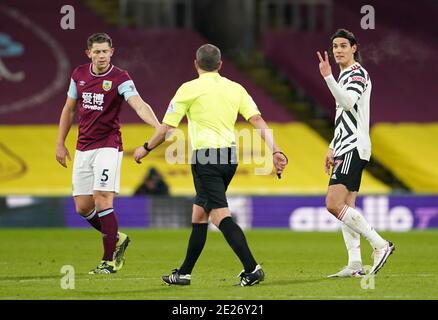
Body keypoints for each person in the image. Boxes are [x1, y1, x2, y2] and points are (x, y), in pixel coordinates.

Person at [133, 44, 288, 286]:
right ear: (220, 65)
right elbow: (257, 119)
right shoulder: (235, 88)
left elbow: (166, 128)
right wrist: (275, 150)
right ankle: (184, 273)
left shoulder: (188, 89)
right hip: (229, 157)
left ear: (195, 64)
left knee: (220, 216)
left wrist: (145, 147)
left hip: (206, 159)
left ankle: (252, 268)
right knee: (199, 214)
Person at [56, 33, 160, 274]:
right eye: (97, 51)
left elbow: (139, 104)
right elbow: (68, 108)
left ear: (112, 52)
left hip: (108, 146)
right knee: (83, 207)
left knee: (102, 197)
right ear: (88, 53)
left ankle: (108, 260)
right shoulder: (78, 75)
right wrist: (60, 143)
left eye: (105, 51)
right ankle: (118, 238)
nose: (101, 55)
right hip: (83, 147)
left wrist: (158, 127)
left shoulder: (120, 78)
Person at [317, 29, 395, 277]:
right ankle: (354, 265)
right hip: (344, 145)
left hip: (353, 146)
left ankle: (380, 244)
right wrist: (332, 145)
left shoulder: (358, 73)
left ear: (354, 48)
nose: (338, 50)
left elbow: (348, 102)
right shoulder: (344, 76)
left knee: (333, 204)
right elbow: (344, 116)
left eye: (342, 46)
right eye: (335, 46)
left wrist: (328, 77)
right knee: (347, 206)